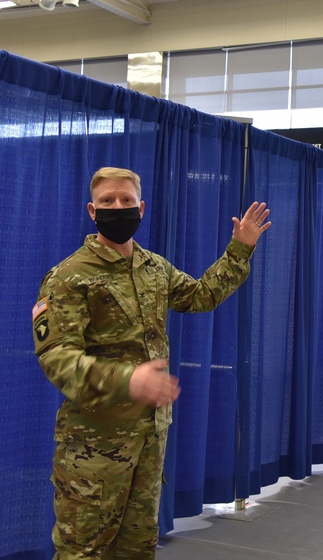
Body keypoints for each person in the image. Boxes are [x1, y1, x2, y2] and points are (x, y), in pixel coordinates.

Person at [32, 167, 271, 559]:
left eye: (126, 200)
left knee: (138, 548)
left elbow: (200, 296)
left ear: (141, 208)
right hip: (94, 449)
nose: (118, 207)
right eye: (108, 201)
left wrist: (239, 249)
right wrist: (127, 380)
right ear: (93, 211)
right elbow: (56, 358)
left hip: (149, 440)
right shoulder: (69, 277)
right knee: (84, 552)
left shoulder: (153, 268)